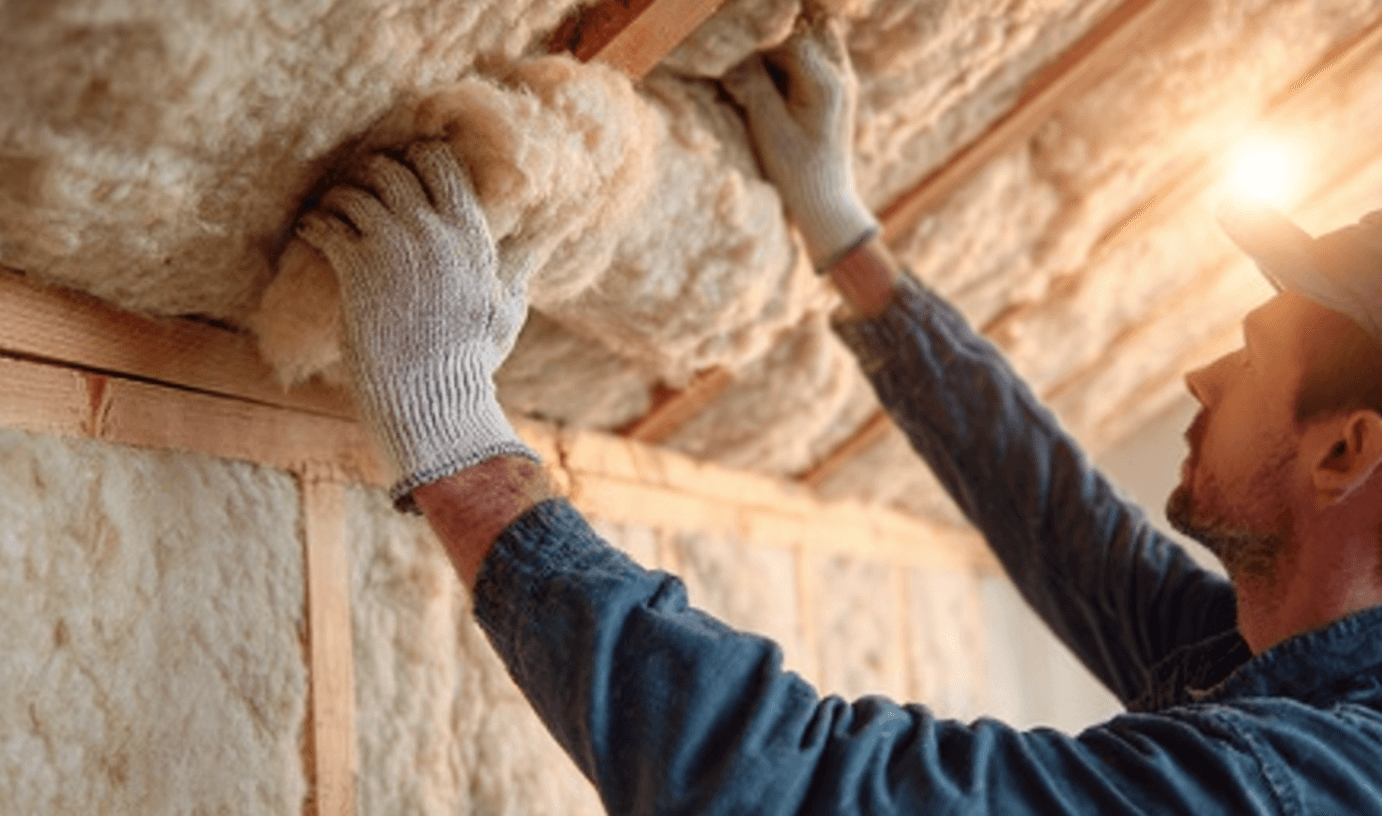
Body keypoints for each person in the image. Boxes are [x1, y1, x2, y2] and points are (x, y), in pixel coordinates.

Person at [295, 18, 1382, 815]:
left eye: (1248, 354)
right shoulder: (1274, 649)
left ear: (1346, 448)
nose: (1197, 379)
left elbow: (813, 795)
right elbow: (1065, 529)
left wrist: (459, 445)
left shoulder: (1305, 789)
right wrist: (847, 240)